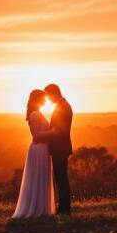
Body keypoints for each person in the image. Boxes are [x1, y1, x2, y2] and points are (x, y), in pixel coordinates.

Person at [11, 89, 56, 218]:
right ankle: (36, 208)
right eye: (43, 98)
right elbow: (36, 136)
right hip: (38, 149)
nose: (46, 100)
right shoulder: (34, 114)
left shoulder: (37, 113)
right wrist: (53, 132)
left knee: (41, 177)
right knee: (38, 177)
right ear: (38, 99)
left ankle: (41, 207)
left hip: (43, 149)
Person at [37, 83, 73, 214]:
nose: (47, 99)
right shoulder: (62, 105)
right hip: (60, 147)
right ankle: (63, 206)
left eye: (48, 96)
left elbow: (58, 130)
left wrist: (41, 135)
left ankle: (64, 208)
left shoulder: (63, 107)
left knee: (61, 177)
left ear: (53, 93)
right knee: (60, 177)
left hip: (60, 147)